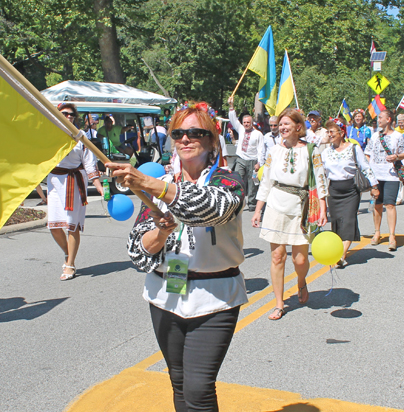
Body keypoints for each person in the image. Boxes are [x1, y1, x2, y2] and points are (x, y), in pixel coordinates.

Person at [111, 103, 247, 412]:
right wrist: (160, 233)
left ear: (212, 140)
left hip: (215, 297)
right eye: (179, 133)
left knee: (199, 389)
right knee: (179, 381)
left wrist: (149, 183)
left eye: (195, 132)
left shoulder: (228, 181)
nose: (185, 139)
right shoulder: (160, 188)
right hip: (166, 293)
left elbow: (210, 208)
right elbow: (137, 250)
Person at [251, 109, 328, 320]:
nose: (282, 128)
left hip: (300, 207)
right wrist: (258, 210)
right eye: (280, 124)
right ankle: (279, 303)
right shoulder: (274, 151)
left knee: (300, 259)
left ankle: (301, 282)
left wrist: (322, 207)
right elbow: (266, 181)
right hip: (275, 205)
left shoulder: (311, 150)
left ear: (298, 127)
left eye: (286, 124)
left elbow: (320, 180)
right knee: (277, 257)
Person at [47, 103, 103, 280]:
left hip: (74, 181)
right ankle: (68, 253)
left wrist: (98, 185)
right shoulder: (50, 133)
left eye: (71, 114)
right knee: (54, 225)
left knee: (72, 225)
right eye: (64, 113)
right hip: (55, 180)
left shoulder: (81, 136)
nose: (68, 116)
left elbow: (89, 162)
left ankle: (70, 264)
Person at [322, 119, 379, 268]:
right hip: (333, 190)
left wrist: (374, 185)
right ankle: (337, 250)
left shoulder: (353, 148)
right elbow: (320, 172)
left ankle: (342, 255)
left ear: (341, 133)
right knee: (336, 222)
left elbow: (365, 167)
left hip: (351, 190)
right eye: (328, 132)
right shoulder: (326, 152)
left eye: (332, 131)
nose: (329, 135)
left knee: (348, 221)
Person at [364, 110, 404, 251]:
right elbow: (367, 154)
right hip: (376, 177)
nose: (378, 120)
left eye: (381, 117)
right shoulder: (375, 136)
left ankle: (391, 235)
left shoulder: (397, 136)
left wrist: (396, 157)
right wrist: (370, 170)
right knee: (377, 204)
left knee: (390, 205)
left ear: (389, 119)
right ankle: (377, 232)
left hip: (391, 176)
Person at [227, 96, 264, 211]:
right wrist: (231, 106)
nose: (246, 124)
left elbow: (261, 150)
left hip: (253, 161)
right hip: (241, 159)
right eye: (245, 122)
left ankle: (252, 204)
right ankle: (238, 201)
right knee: (238, 179)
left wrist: (259, 163)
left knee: (252, 184)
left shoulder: (258, 134)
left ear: (252, 123)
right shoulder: (241, 129)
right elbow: (233, 120)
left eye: (248, 122)